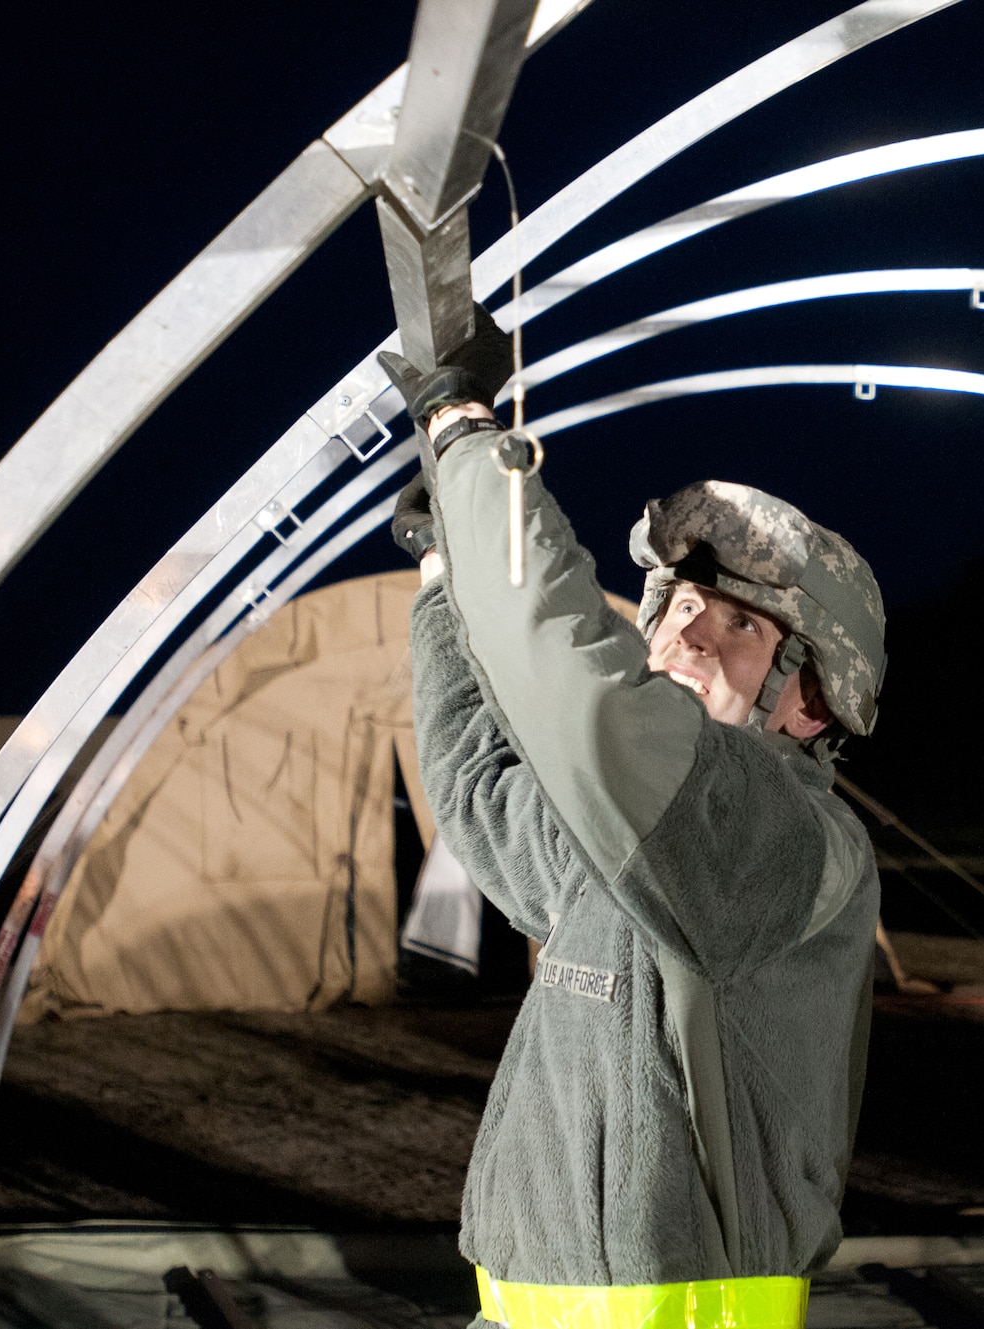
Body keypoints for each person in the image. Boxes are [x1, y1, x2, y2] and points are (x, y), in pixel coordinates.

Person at [380, 316, 886, 1329]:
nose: (685, 631)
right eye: (675, 605)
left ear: (813, 702)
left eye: (740, 623)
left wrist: (470, 445)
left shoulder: (788, 852)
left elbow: (594, 705)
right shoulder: (630, 845)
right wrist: (447, 569)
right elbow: (482, 787)